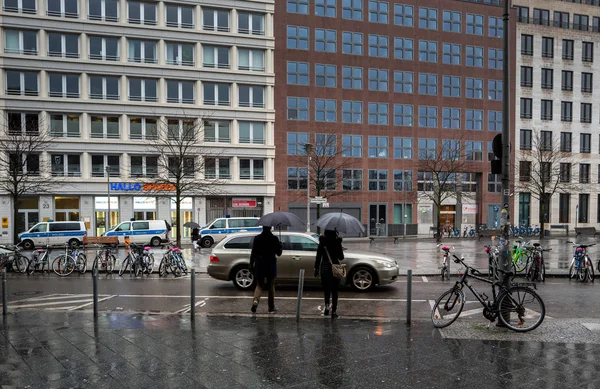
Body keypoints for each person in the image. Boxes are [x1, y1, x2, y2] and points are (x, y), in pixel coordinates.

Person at [249, 226, 283, 313]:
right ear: (270, 228)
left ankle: (255, 302)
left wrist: (251, 263)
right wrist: (280, 245)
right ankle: (271, 307)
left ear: (263, 228)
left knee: (259, 285)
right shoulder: (274, 239)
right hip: (270, 266)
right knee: (271, 286)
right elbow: (279, 253)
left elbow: (253, 253)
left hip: (260, 265)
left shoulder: (257, 238)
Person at [314, 229, 344, 318]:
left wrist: (316, 269)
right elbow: (341, 257)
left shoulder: (322, 243)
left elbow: (318, 257)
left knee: (326, 290)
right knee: (334, 291)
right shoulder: (337, 243)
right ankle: (334, 312)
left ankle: (327, 309)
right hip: (335, 268)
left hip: (325, 268)